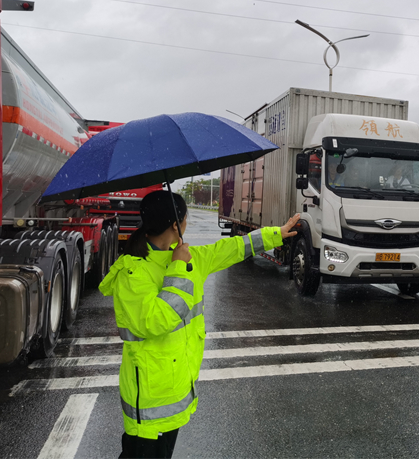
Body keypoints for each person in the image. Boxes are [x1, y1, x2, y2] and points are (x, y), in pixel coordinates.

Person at [99, 190, 299, 459]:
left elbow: (231, 248)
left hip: (173, 391)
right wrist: (179, 268)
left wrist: (276, 234)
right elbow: (156, 321)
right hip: (149, 403)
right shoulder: (133, 271)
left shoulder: (186, 255)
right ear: (175, 225)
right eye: (185, 219)